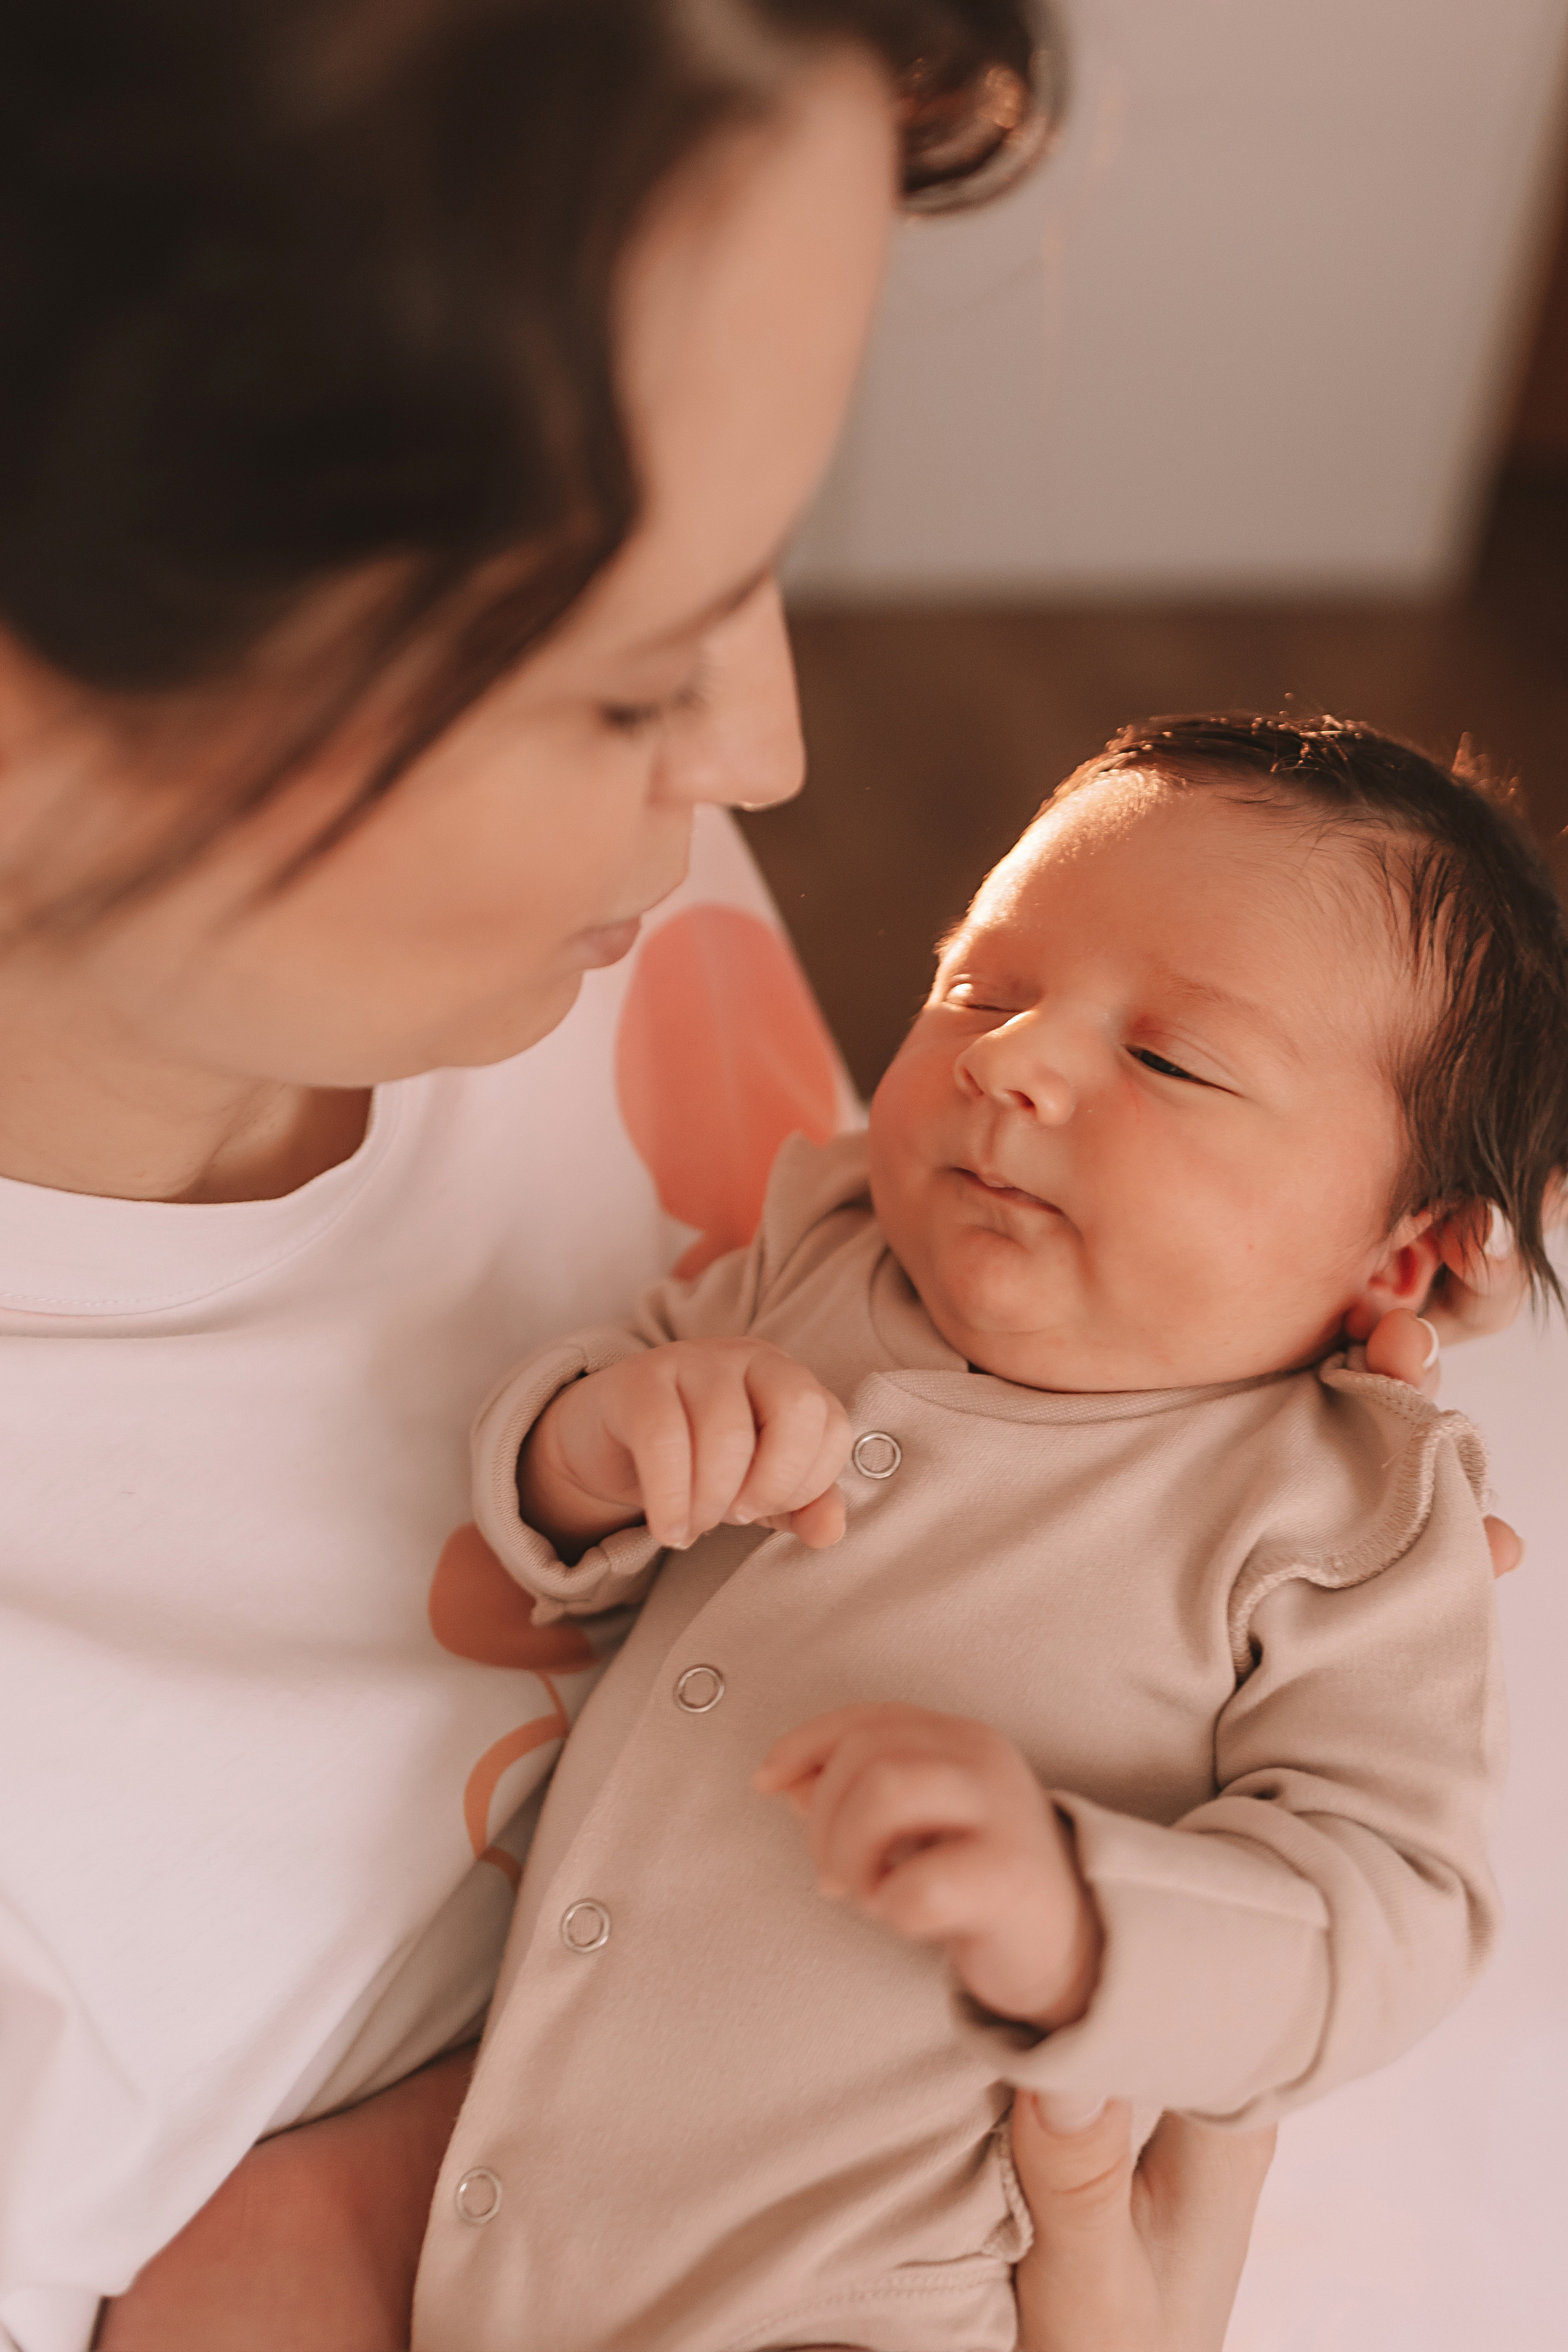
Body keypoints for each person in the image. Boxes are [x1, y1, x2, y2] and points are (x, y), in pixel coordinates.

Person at [0, 7, 1523, 2350]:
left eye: (767, 551)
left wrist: (1196, 1344)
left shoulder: (691, 1018)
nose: (767, 756)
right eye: (621, 670)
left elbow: (1364, 1884)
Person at [417, 714, 1554, 2351]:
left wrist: (1085, 1916)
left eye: (1166, 1059)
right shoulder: (836, 1248)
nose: (1007, 1062)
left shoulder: (1343, 1516)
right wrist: (593, 1447)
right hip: (499, 2209)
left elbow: (1396, 1912)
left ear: (1404, 1254)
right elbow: (576, 1473)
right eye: (980, 989)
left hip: (867, 2292)